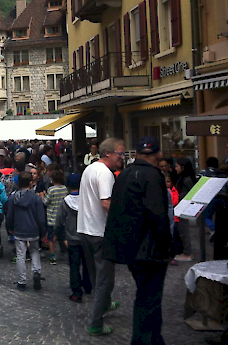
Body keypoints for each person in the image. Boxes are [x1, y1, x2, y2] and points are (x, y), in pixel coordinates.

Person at [103, 137, 171, 345]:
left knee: (145, 295)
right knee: (149, 299)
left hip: (131, 248)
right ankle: (144, 340)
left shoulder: (125, 174)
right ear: (158, 155)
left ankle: (152, 339)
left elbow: (117, 210)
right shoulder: (153, 175)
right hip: (149, 250)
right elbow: (158, 214)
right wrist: (167, 245)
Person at [78, 137, 125, 336]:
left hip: (85, 230)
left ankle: (105, 303)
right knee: (105, 280)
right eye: (120, 153)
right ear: (108, 153)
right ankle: (96, 322)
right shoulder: (106, 174)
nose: (122, 158)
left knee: (96, 275)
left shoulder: (90, 168)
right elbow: (106, 204)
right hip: (99, 232)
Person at [6, 171, 46, 291]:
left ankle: (22, 281)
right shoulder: (36, 198)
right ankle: (36, 271)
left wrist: (10, 227)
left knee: (21, 255)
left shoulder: (14, 197)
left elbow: (9, 215)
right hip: (33, 229)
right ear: (31, 182)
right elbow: (41, 217)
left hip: (19, 229)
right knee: (34, 251)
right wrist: (43, 231)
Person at [55, 173, 92, 303]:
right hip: (87, 235)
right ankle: (88, 286)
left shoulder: (66, 202)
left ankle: (76, 291)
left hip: (72, 237)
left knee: (74, 265)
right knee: (87, 263)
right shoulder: (87, 199)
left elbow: (59, 220)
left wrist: (60, 234)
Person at [173, 158, 196, 262]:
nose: (175, 168)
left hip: (183, 207)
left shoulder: (186, 180)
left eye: (177, 166)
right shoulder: (182, 178)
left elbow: (190, 194)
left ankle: (188, 253)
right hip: (181, 207)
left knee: (184, 231)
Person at [43, 169, 68, 265]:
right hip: (62, 218)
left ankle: (53, 255)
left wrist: (42, 196)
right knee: (64, 236)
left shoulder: (51, 190)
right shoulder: (64, 189)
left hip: (52, 218)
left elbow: (45, 202)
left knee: (51, 237)